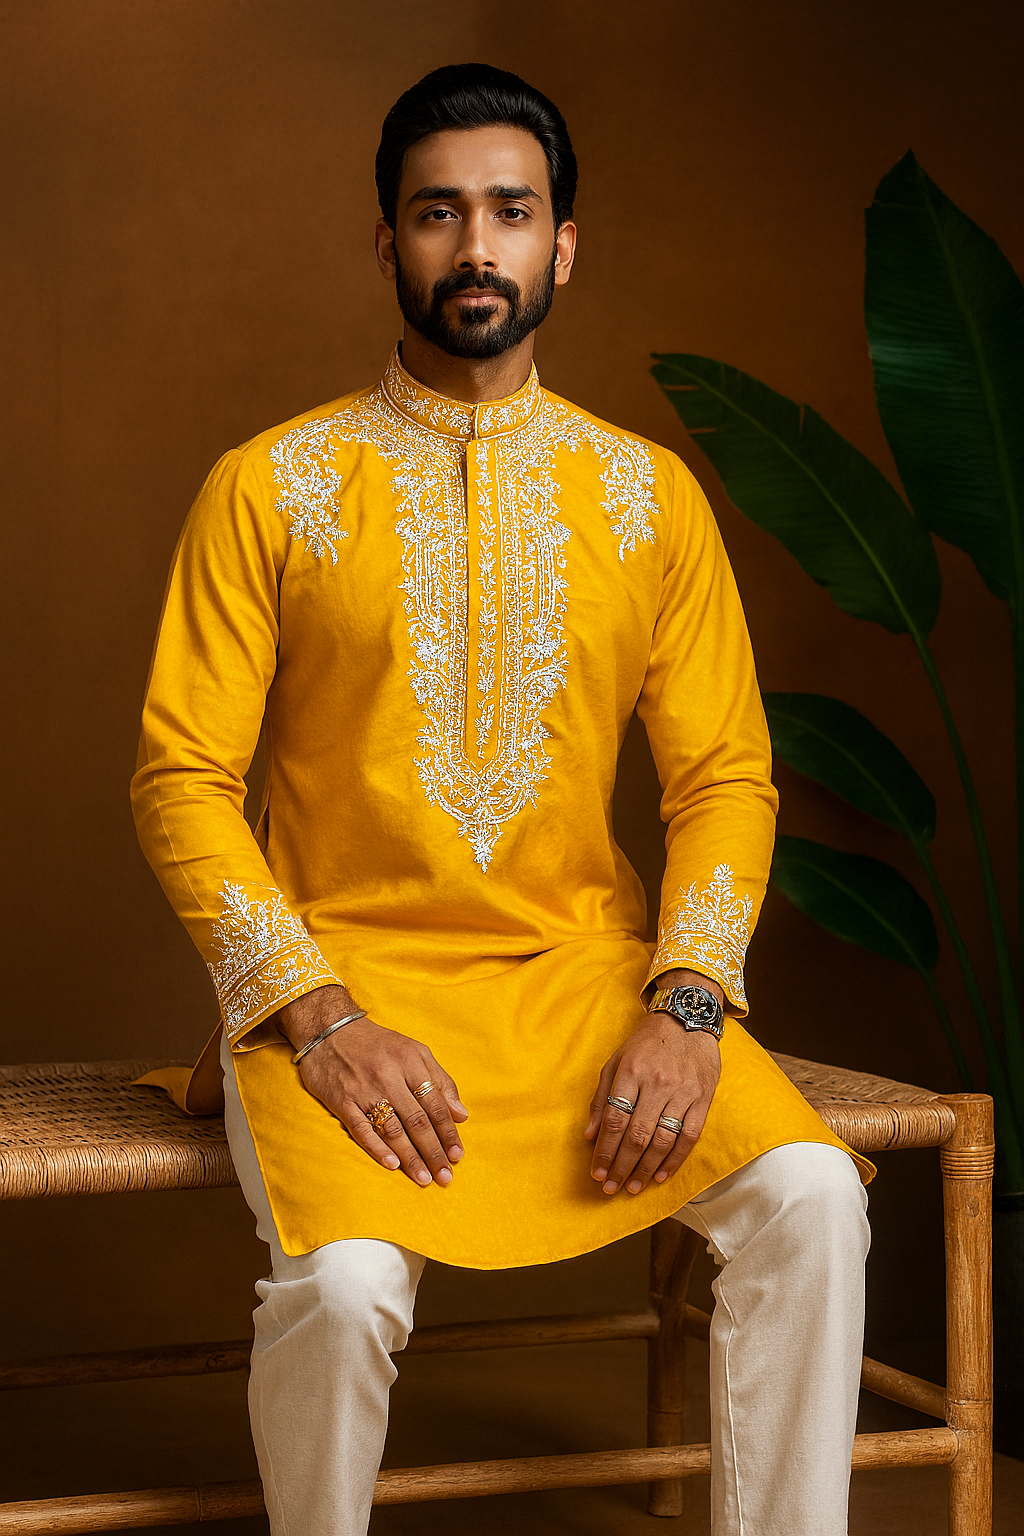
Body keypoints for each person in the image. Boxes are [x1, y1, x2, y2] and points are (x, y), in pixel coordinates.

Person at [131, 62, 872, 1536]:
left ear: (563, 245)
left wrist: (689, 1002)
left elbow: (725, 777)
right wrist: (317, 1017)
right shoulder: (270, 486)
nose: (476, 246)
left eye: (511, 212)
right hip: (341, 991)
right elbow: (182, 780)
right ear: (388, 242)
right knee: (343, 1288)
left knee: (814, 1201)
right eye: (438, 213)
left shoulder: (649, 498)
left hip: (584, 985)